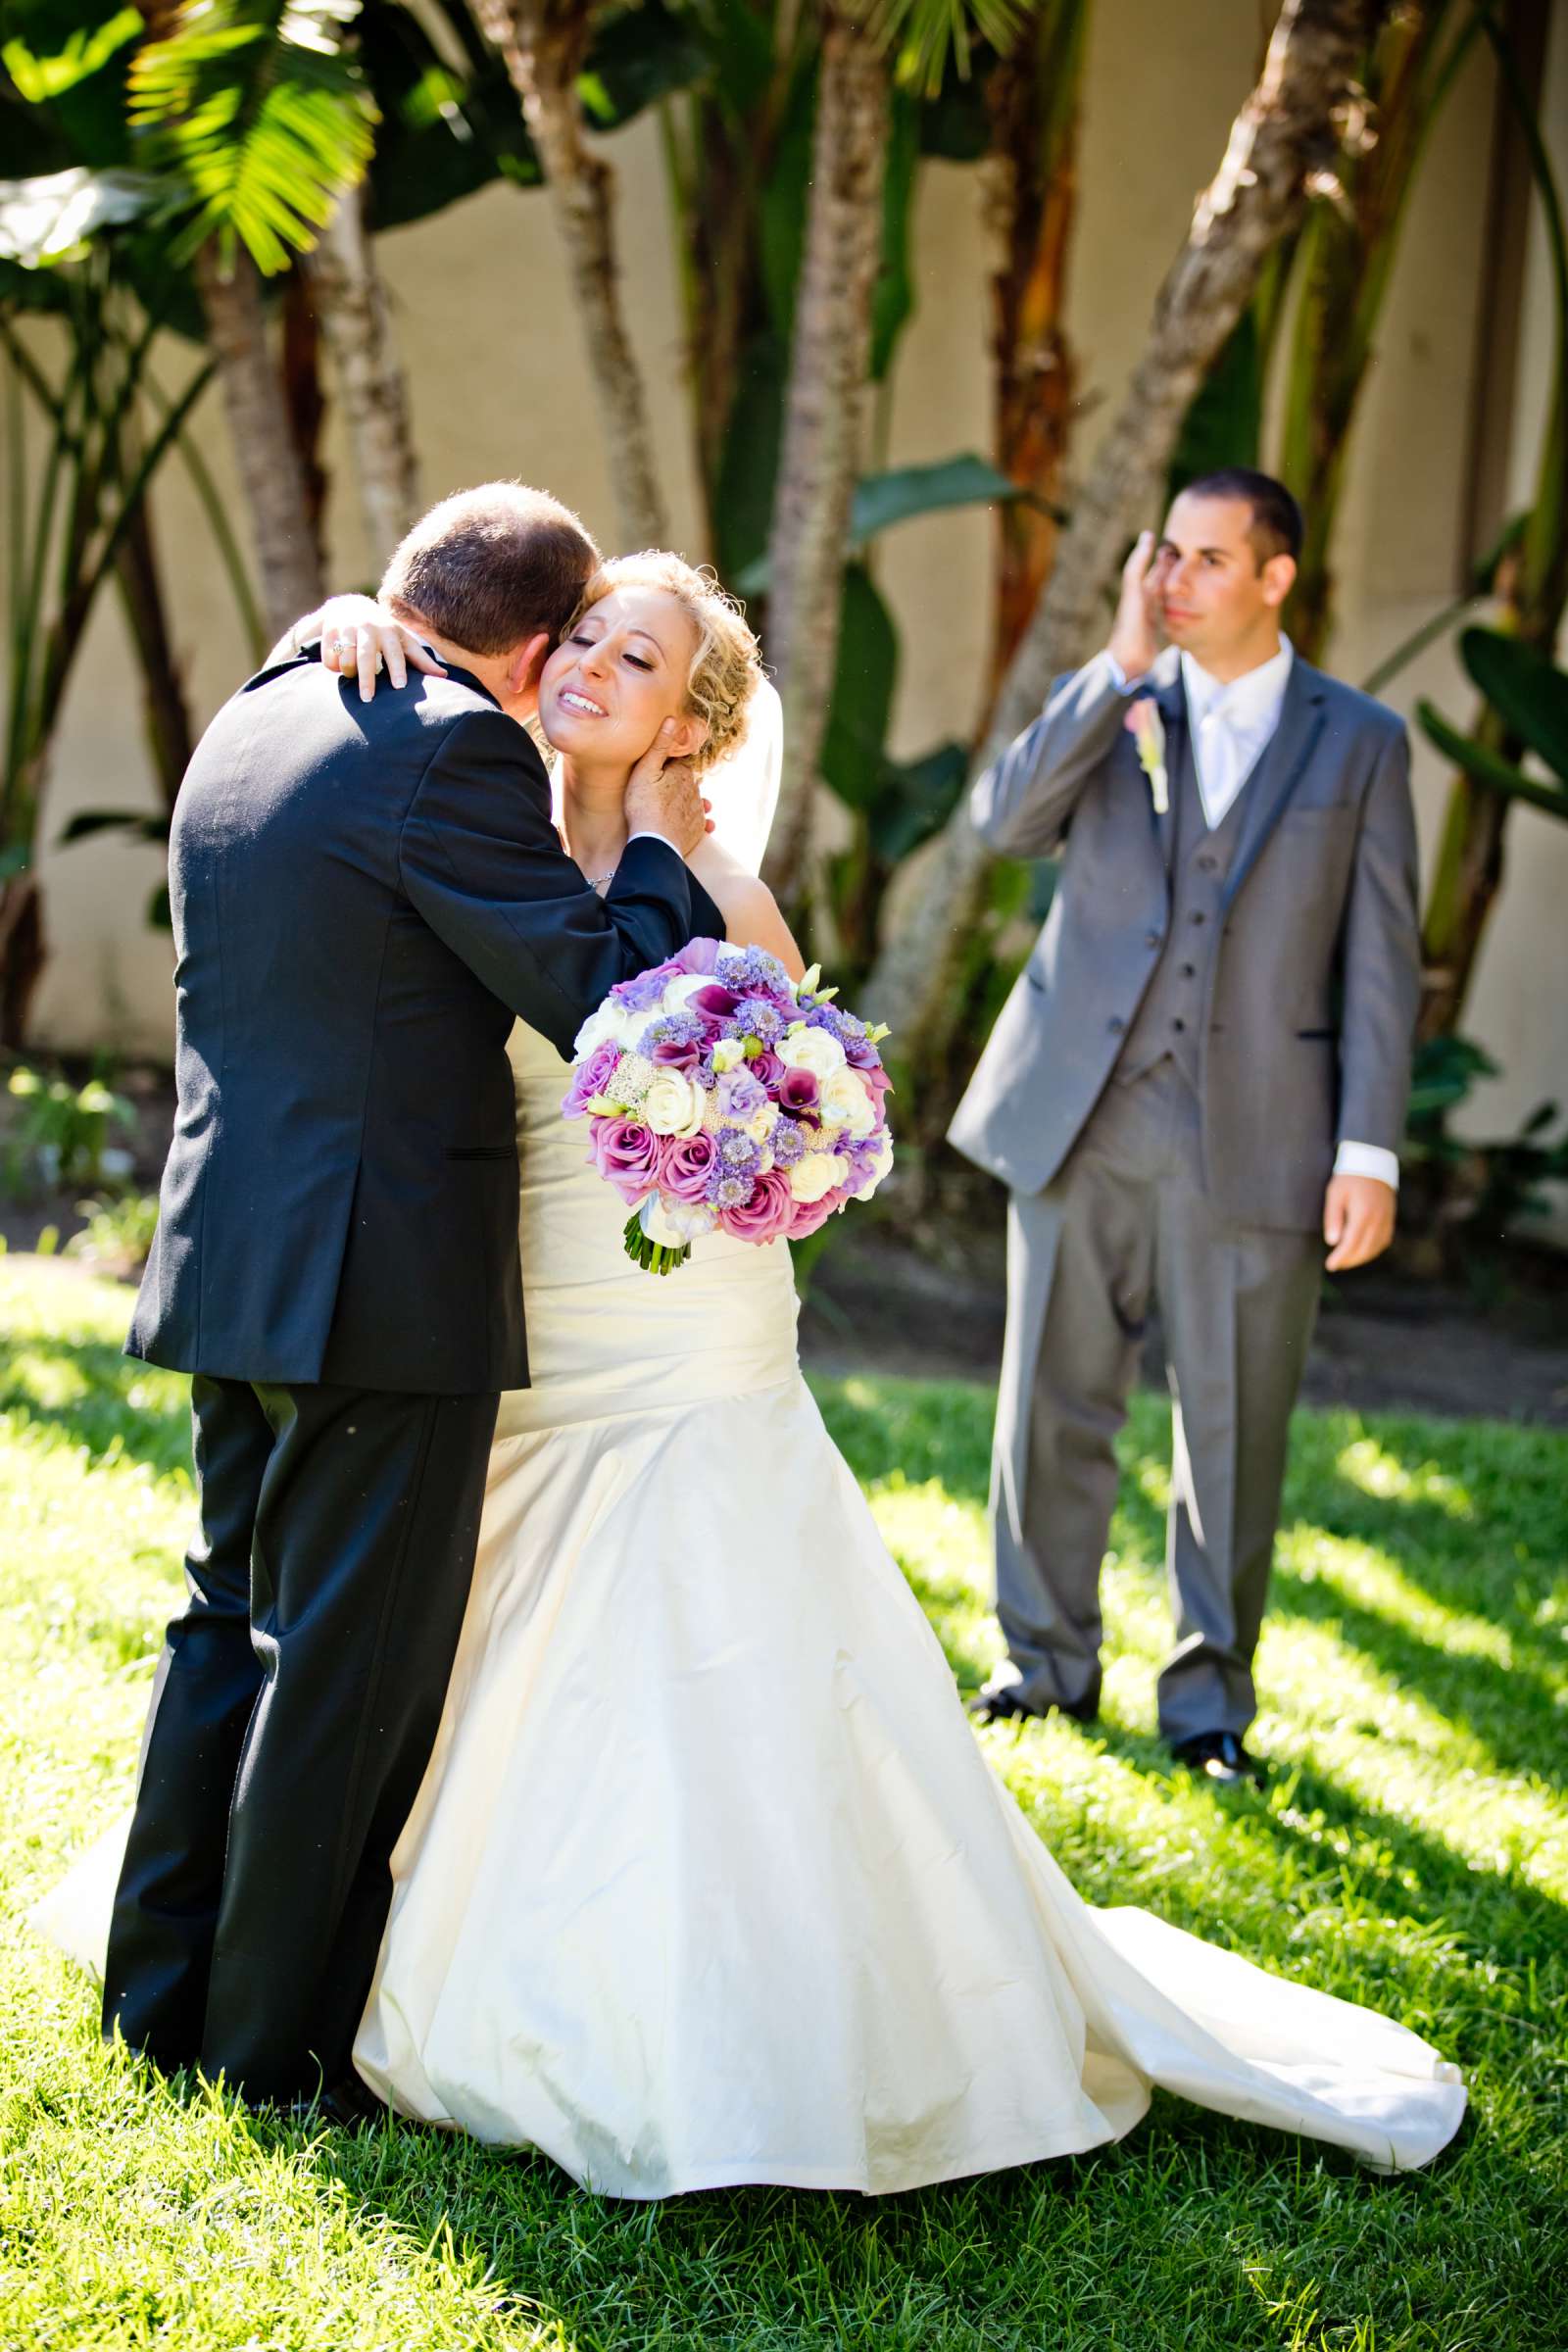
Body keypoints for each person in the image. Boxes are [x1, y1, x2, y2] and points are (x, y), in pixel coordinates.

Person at [35, 540, 1462, 2191]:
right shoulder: (456, 782)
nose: (584, 668)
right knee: (360, 1635)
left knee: (433, 1636)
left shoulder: (708, 884)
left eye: (634, 660)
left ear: (693, 723)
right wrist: (355, 616)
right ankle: (295, 1979)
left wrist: (729, 1127)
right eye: (576, 638)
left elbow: (790, 1111)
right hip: (459, 1309)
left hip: (627, 1330)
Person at [92, 484, 724, 2110]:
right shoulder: (452, 744)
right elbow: (608, 998)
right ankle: (272, 2052)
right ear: (528, 650)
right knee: (346, 1669)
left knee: (226, 1618)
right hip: (374, 1282)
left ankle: (154, 2001)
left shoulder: (262, 708)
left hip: (234, 1251)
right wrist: (655, 843)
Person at [950, 469, 1421, 1785]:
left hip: (1261, 1131)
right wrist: (1110, 670)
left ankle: (1209, 1701)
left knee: (1233, 1424)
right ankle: (1043, 1663)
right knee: (1050, 1400)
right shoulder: (1118, 702)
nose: (1177, 582)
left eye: (1210, 561)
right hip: (1083, 1113)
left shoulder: (1363, 739)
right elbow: (1005, 825)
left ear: (1276, 578)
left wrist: (1368, 1150)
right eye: (1169, 558)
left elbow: (1382, 961)